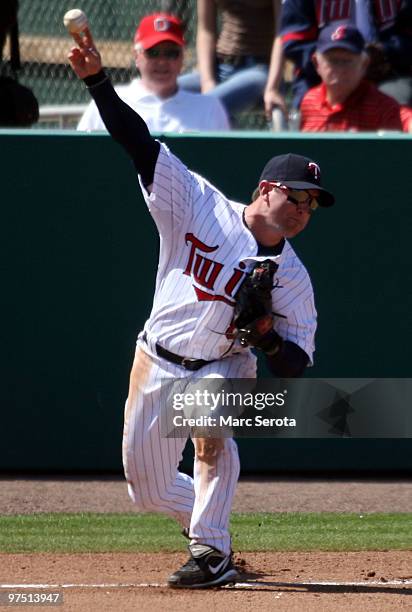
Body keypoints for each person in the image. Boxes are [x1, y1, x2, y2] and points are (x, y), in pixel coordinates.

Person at [68, 24, 335, 589]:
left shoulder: (293, 279)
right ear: (266, 189)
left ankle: (211, 553)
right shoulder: (199, 203)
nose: (304, 208)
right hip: (156, 357)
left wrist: (264, 337)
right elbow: (138, 143)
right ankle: (210, 530)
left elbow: (297, 366)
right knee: (148, 489)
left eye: (313, 203)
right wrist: (98, 84)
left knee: (213, 427)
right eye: (297, 194)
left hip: (221, 365)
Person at [77, 12, 230, 132]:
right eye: (153, 53)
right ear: (136, 56)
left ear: (182, 57)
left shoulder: (209, 108)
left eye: (171, 53)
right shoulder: (108, 102)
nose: (162, 61)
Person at [279, 0, 412, 110]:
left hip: (389, 72)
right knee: (312, 112)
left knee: (398, 109)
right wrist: (338, 62)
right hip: (321, 76)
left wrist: (386, 52)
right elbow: (295, 43)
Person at [178, 0, 287, 123]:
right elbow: (206, 30)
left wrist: (273, 88)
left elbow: (282, 34)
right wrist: (207, 81)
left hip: (260, 71)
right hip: (220, 67)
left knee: (207, 104)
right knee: (161, 94)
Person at [300, 24, 403, 132]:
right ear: (317, 63)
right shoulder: (309, 102)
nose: (339, 69)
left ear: (364, 64)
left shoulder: (383, 108)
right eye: (332, 60)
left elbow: (393, 148)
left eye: (346, 61)